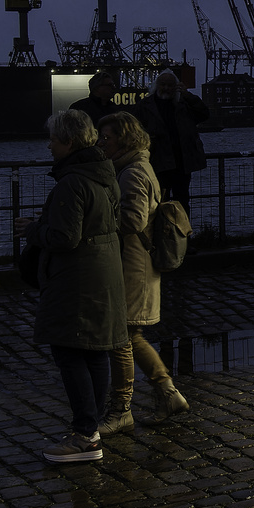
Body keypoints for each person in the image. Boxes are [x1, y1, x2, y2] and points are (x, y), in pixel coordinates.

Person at [14, 109, 126, 463]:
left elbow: (64, 238)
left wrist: (32, 229)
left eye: (53, 139)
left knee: (69, 352)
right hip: (103, 273)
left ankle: (84, 435)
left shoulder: (71, 182)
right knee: (94, 353)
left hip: (75, 280)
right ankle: (90, 430)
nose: (48, 146)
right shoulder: (106, 175)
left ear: (69, 141)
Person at [95, 112, 189, 435]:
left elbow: (133, 220)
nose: (101, 142)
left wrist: (98, 223)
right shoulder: (136, 166)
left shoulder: (132, 172)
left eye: (106, 137)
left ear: (123, 138)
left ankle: (122, 408)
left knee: (121, 336)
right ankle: (167, 395)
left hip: (133, 264)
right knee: (129, 335)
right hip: (137, 262)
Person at [135, 70, 209, 211]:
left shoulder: (183, 102)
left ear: (176, 87)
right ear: (157, 85)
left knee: (181, 201)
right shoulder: (144, 106)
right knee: (158, 202)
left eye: (170, 85)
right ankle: (163, 232)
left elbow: (204, 113)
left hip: (181, 163)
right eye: (163, 85)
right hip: (158, 162)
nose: (167, 88)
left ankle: (182, 231)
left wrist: (187, 95)